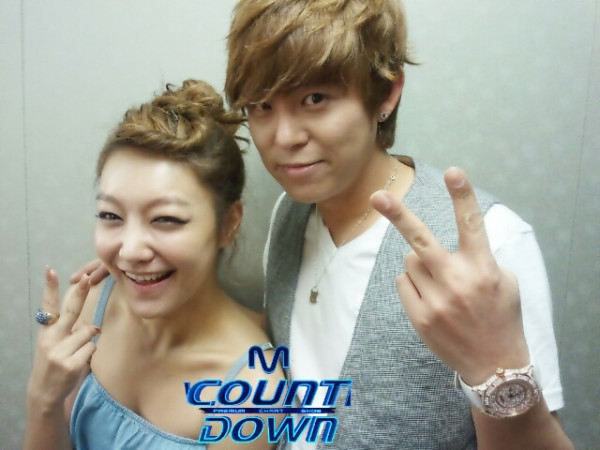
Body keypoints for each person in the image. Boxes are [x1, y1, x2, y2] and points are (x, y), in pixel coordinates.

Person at [71, 1, 574, 448]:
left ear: (386, 93)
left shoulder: (492, 244)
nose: (285, 136)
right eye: (262, 106)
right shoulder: (290, 214)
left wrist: (493, 368)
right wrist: (144, 269)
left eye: (315, 99)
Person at [25, 79, 284, 450]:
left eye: (165, 219)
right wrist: (42, 399)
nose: (130, 251)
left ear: (228, 224)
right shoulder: (93, 305)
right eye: (111, 215)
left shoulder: (252, 391)